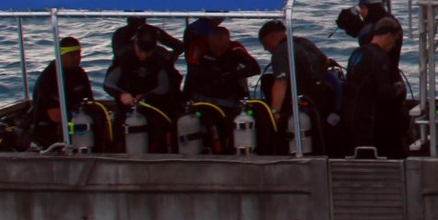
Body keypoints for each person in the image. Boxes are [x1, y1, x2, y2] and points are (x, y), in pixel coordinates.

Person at [260, 17, 340, 151]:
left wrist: (274, 112)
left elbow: (281, 83)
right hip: (321, 101)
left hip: (299, 107)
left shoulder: (280, 53)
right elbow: (325, 62)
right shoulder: (304, 42)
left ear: (273, 36)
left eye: (265, 44)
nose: (266, 49)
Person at [184, 19, 263, 150]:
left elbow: (255, 68)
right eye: (215, 49)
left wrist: (230, 76)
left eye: (222, 49)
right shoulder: (198, 46)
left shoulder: (235, 47)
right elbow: (191, 73)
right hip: (204, 99)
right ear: (209, 41)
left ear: (228, 43)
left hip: (228, 99)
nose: (218, 53)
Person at [343, 15, 412, 160]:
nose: (394, 45)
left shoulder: (357, 53)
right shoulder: (380, 56)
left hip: (350, 118)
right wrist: (398, 88)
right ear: (388, 36)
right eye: (394, 40)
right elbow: (384, 93)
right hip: (369, 120)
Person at [105, 22, 183, 145]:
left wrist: (147, 97)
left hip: (155, 106)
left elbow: (165, 87)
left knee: (159, 126)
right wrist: (121, 95)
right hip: (129, 104)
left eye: (148, 52)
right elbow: (108, 82)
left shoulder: (161, 58)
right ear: (135, 43)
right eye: (140, 51)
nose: (143, 56)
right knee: (119, 126)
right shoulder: (124, 56)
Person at [31, 36, 95, 147]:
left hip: (78, 125)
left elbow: (91, 101)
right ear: (61, 55)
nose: (77, 58)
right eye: (72, 55)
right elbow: (56, 117)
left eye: (78, 54)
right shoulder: (49, 77)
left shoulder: (79, 74)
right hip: (50, 133)